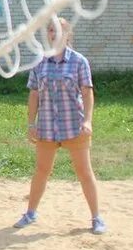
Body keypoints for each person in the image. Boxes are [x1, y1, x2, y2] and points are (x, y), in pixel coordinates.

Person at [14, 17, 107, 235]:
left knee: (84, 172)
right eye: (50, 31)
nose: (53, 34)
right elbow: (34, 94)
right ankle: (30, 213)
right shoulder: (40, 62)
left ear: (68, 34)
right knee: (41, 171)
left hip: (74, 126)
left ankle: (96, 217)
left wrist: (87, 121)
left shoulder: (79, 61)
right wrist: (31, 123)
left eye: (58, 30)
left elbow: (87, 92)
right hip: (46, 127)